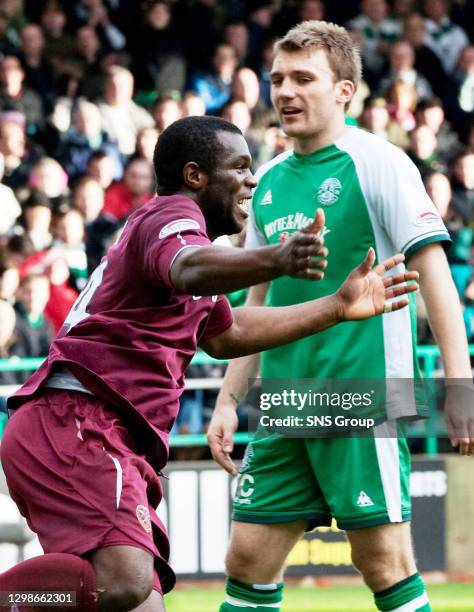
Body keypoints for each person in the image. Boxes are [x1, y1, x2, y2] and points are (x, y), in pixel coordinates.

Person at [0, 115, 417, 612]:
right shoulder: (169, 218)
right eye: (239, 168)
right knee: (127, 581)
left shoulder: (189, 250)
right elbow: (187, 268)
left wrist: (336, 308)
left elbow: (227, 334)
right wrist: (277, 259)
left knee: (140, 605)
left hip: (92, 430)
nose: (252, 179)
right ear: (196, 176)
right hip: (78, 423)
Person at [208, 21, 474, 612]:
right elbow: (259, 300)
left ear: (343, 90)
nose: (285, 91)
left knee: (383, 560)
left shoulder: (378, 163)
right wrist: (231, 398)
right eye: (277, 78)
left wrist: (460, 385)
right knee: (248, 558)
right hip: (285, 399)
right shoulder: (267, 184)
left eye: (303, 78)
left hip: (359, 395)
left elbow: (434, 274)